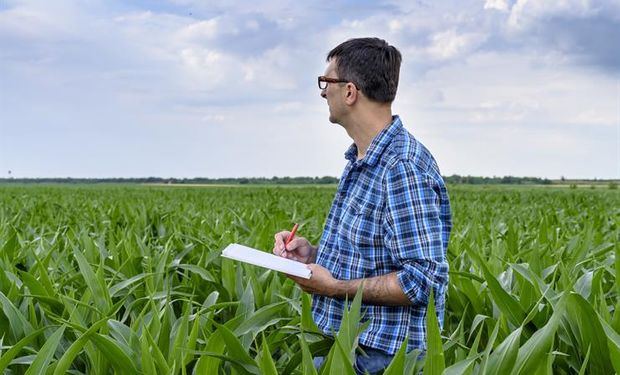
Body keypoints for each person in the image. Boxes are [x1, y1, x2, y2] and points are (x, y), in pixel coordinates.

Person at [273, 37, 451, 374]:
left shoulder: (401, 167)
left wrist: (334, 288)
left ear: (350, 92)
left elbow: (422, 281)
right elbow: (369, 255)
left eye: (326, 82)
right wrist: (310, 256)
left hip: (380, 359)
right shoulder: (362, 158)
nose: (323, 92)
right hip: (348, 347)